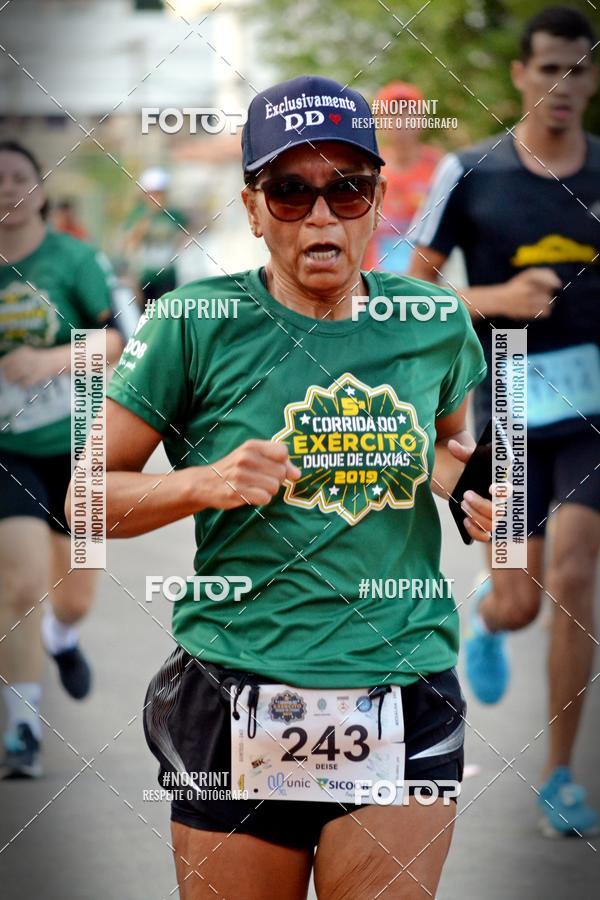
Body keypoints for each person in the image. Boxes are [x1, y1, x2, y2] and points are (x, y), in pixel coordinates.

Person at [88, 75, 492, 899]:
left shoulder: (433, 322)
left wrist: (472, 490)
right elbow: (86, 499)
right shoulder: (192, 324)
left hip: (402, 678)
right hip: (234, 681)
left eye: (347, 190)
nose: (320, 215)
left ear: (379, 200)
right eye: (291, 190)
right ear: (251, 205)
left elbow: (446, 447)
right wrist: (207, 481)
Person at [408, 6, 599, 837]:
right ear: (521, 75)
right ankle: (491, 610)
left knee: (579, 572)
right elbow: (405, 297)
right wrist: (495, 300)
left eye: (580, 67)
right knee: (526, 602)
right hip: (513, 406)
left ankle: (560, 774)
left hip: (595, 405)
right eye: (549, 67)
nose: (564, 85)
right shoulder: (471, 171)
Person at [0, 141, 123, 777]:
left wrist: (46, 362)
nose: (8, 189)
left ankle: (64, 637)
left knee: (72, 596)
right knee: (17, 587)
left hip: (80, 445)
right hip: (7, 453)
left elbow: (115, 339)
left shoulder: (73, 259)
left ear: (40, 189)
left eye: (19, 177)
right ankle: (22, 731)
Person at [363, 82, 441, 275]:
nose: (401, 121)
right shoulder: (367, 166)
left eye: (409, 113)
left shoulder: (440, 166)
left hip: (425, 282)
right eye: (393, 114)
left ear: (422, 119)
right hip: (374, 281)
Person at [122, 166, 188, 305]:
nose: (157, 197)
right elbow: (129, 244)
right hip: (146, 276)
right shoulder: (138, 215)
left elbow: (184, 236)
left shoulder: (173, 215)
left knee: (167, 313)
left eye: (160, 193)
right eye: (153, 193)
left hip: (168, 274)